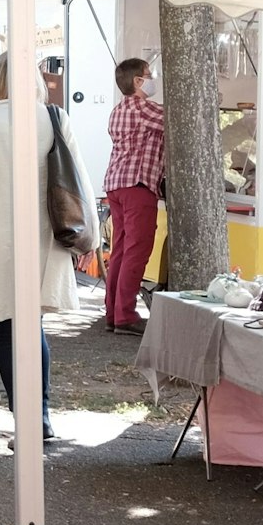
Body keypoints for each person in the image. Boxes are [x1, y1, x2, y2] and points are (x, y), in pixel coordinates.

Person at [0, 53, 87, 442]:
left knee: (8, 329)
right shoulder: (55, 118)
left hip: (2, 236)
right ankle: (42, 414)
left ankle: (26, 420)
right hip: (49, 231)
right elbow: (78, 176)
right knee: (34, 327)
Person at [103, 56, 163, 335]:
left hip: (115, 183)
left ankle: (113, 311)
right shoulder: (144, 109)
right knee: (137, 250)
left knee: (121, 249)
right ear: (138, 81)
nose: (152, 80)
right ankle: (126, 314)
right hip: (138, 184)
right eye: (149, 75)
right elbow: (176, 121)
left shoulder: (118, 110)